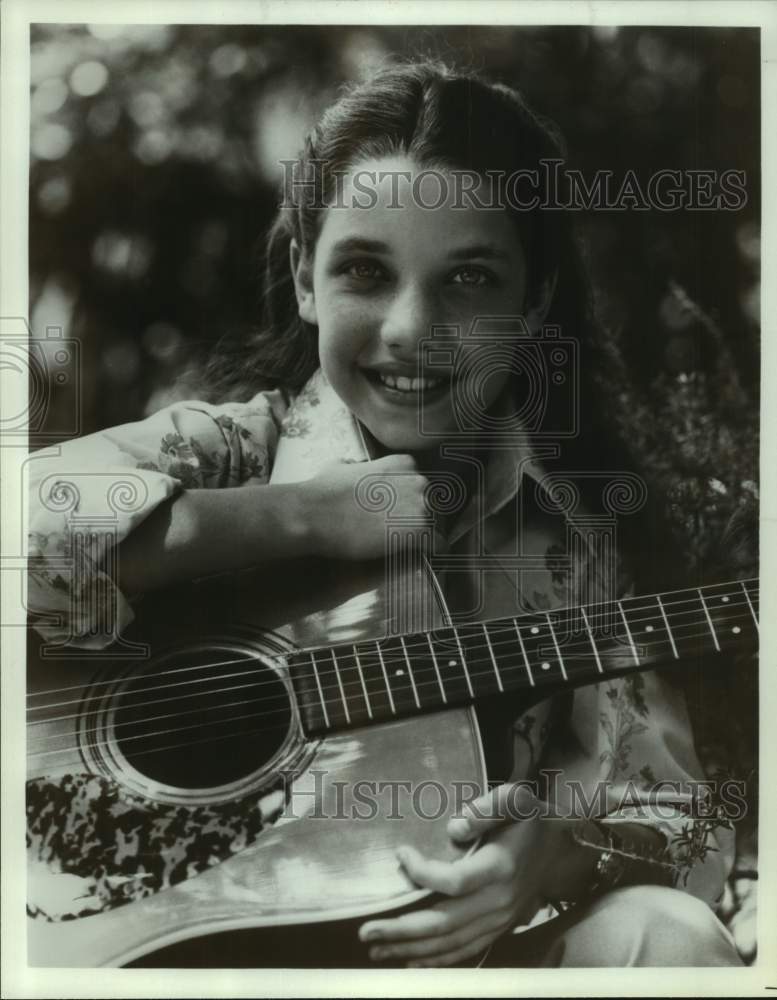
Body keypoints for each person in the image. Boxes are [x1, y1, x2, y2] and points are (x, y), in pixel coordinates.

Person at [27, 61, 743, 967]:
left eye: (470, 279)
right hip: (155, 950)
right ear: (303, 276)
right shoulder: (232, 455)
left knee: (666, 941)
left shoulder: (572, 540)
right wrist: (303, 518)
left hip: (444, 964)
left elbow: (684, 818)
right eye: (365, 268)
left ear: (535, 304)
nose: (410, 328)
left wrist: (549, 857)